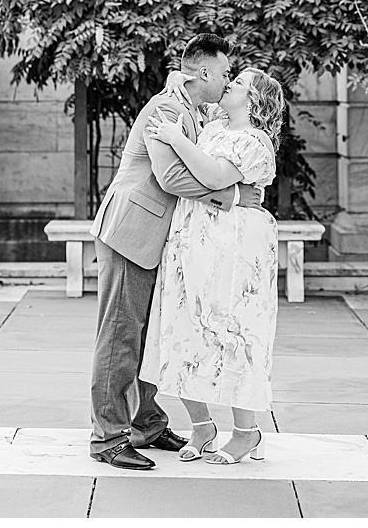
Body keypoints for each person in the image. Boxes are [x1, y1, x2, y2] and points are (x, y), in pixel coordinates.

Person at [87, 33, 263, 471]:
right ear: (203, 72)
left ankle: (147, 424)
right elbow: (169, 178)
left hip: (157, 239)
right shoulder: (165, 110)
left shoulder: (196, 112)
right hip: (131, 231)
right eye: (225, 73)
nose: (227, 81)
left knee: (148, 336)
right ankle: (107, 438)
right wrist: (234, 194)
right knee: (120, 335)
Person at [139, 67, 282, 465]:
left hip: (234, 248)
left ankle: (246, 434)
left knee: (235, 333)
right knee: (184, 330)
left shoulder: (255, 141)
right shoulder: (212, 127)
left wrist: (175, 139)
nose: (230, 83)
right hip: (192, 240)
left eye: (239, 83)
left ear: (254, 100)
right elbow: (185, 85)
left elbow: (213, 174)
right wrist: (175, 79)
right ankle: (202, 427)